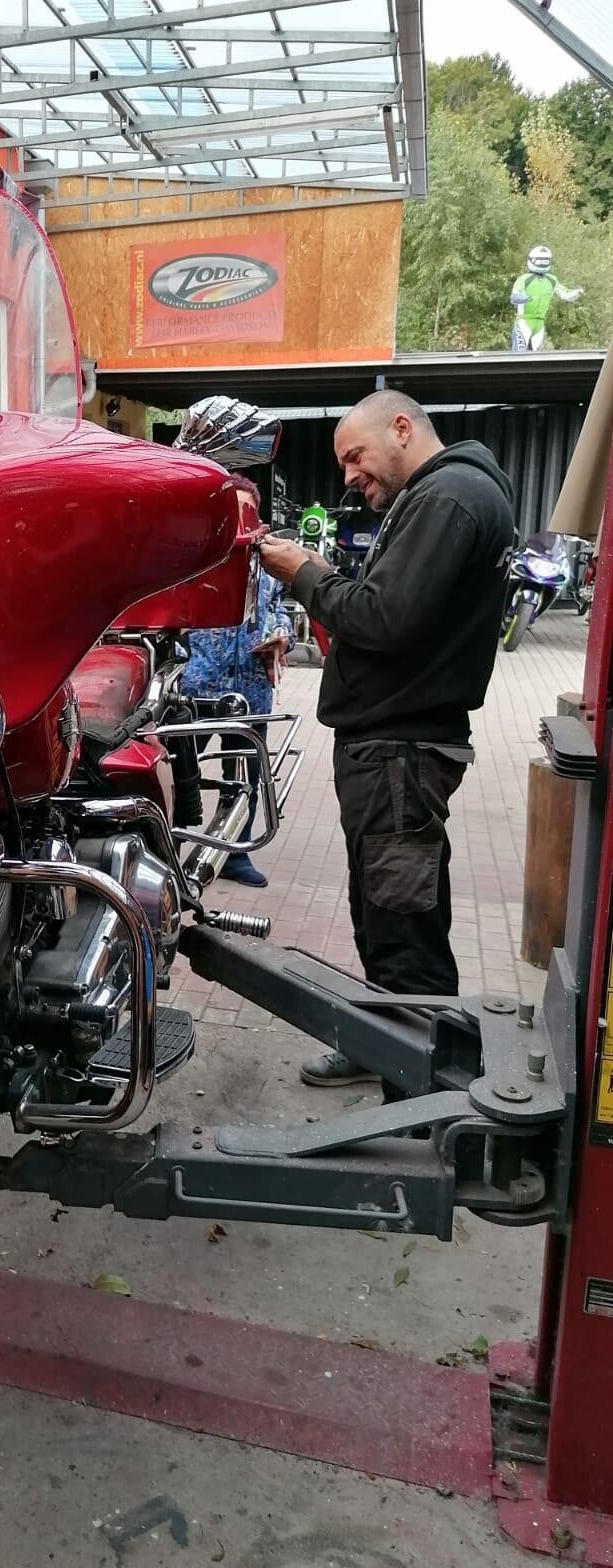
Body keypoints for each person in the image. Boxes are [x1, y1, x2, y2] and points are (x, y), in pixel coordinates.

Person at [259, 390, 515, 1086]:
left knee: (403, 929)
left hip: (401, 757)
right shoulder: (442, 496)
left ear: (402, 428)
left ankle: (419, 1103)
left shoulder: (449, 498)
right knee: (382, 912)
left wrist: (305, 574)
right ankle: (383, 1044)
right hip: (391, 753)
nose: (348, 476)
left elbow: (381, 618)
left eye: (355, 456)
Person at [180, 536, 293, 887]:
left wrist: (282, 635)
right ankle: (167, 847)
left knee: (245, 778)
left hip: (250, 693)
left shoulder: (267, 566)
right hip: (197, 690)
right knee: (180, 774)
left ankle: (234, 852)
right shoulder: (196, 560)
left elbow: (278, 610)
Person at [510, 245, 583, 353]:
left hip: (540, 322)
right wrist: (525, 298)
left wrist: (577, 292)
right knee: (519, 354)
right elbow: (514, 297)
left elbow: (566, 294)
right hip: (524, 321)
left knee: (539, 356)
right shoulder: (524, 279)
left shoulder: (551, 280)